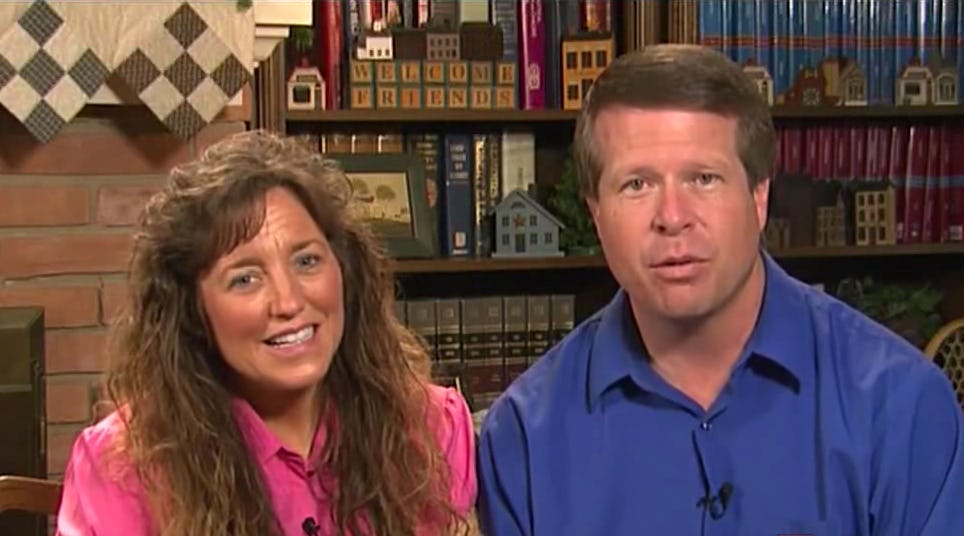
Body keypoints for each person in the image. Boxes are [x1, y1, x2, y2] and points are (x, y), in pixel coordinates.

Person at [476, 44, 964, 535]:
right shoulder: (523, 437)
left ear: (759, 196)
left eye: (704, 178)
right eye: (637, 185)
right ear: (596, 213)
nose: (672, 217)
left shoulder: (901, 405)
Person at [55, 131, 477, 536]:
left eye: (307, 261)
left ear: (344, 269)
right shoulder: (124, 466)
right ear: (192, 310)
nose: (288, 302)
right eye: (245, 279)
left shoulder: (430, 427)